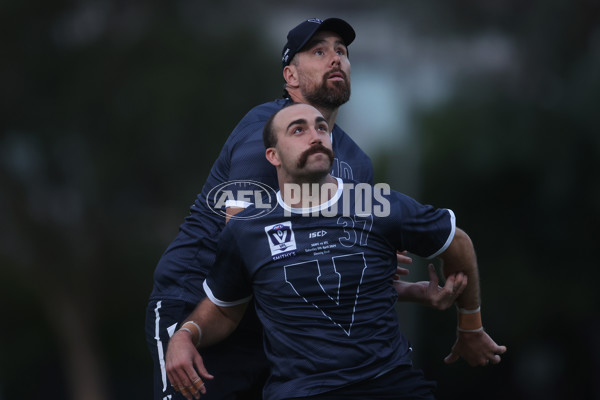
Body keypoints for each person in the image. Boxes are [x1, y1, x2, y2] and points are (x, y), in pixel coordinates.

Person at [146, 17, 467, 400]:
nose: (335, 58)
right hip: (198, 304)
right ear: (291, 76)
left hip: (281, 318)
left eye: (342, 52)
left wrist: (407, 290)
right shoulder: (264, 132)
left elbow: (333, 263)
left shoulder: (356, 162)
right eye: (319, 51)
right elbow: (254, 248)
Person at [165, 103, 507, 400]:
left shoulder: (378, 205)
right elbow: (224, 311)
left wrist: (471, 325)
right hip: (302, 392)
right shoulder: (246, 230)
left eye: (321, 127)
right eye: (298, 130)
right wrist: (184, 335)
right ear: (273, 155)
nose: (315, 135)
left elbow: (457, 242)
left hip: (390, 385)